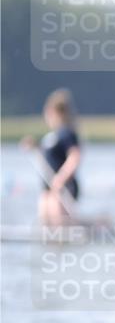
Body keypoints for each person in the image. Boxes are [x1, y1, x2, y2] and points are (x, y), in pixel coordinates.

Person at [19, 88, 83, 226]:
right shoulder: (52, 136)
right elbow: (48, 156)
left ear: (54, 112)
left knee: (58, 227)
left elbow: (75, 157)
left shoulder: (67, 134)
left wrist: (60, 179)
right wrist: (34, 146)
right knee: (45, 225)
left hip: (62, 188)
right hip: (47, 188)